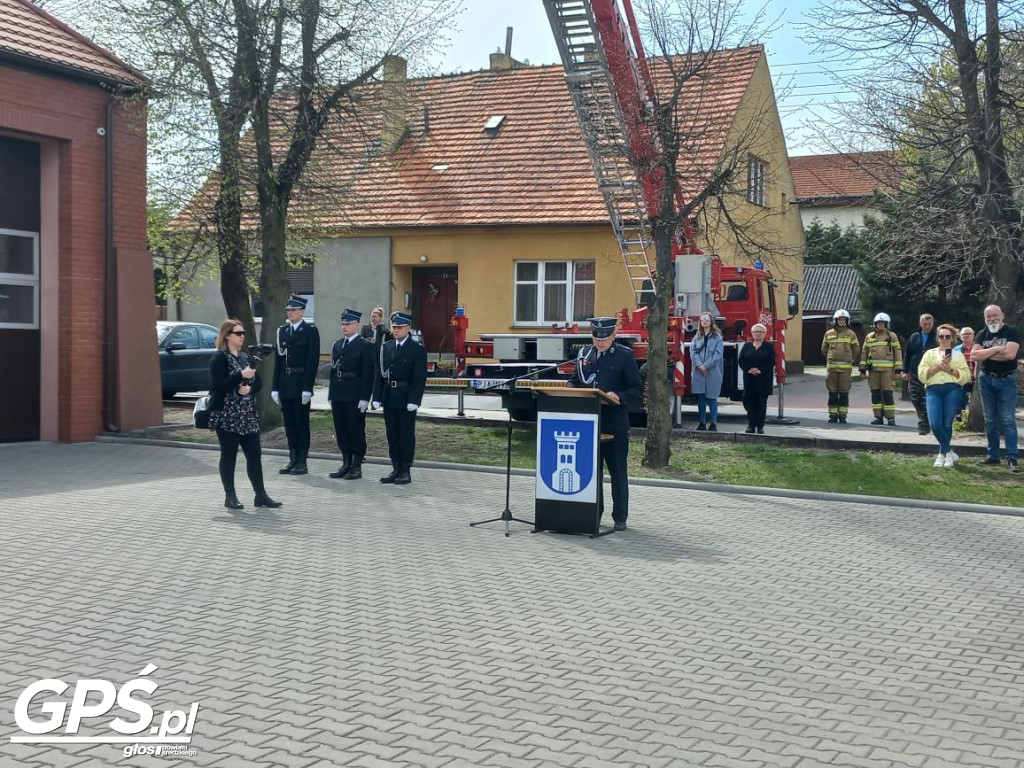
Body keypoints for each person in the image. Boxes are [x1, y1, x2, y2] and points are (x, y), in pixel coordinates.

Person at [567, 316, 643, 532]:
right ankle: (594, 513)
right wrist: (571, 389)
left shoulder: (624, 355)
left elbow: (636, 389)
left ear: (613, 336)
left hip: (614, 421)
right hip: (590, 422)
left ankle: (620, 516)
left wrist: (618, 395)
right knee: (592, 471)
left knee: (617, 471)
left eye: (605, 338)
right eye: (596, 337)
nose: (600, 342)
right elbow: (575, 378)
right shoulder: (585, 354)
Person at [208, 319, 281, 510]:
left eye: (243, 333)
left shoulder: (244, 357)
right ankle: (230, 496)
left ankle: (261, 495)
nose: (242, 337)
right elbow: (218, 387)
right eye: (238, 333)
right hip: (227, 415)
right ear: (227, 336)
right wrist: (241, 375)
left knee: (254, 454)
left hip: (247, 414)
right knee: (229, 455)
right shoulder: (219, 358)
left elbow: (258, 382)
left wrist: (249, 390)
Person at [372, 311, 428, 484]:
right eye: (394, 327)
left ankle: (405, 469)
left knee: (405, 434)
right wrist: (377, 396)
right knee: (392, 434)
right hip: (389, 396)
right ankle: (395, 467)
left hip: (405, 397)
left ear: (408, 328)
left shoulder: (416, 349)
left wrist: (414, 400)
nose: (396, 330)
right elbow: (380, 374)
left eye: (399, 327)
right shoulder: (386, 347)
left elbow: (419, 378)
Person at [271, 295, 321, 475]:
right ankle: (292, 459)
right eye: (288, 310)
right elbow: (278, 362)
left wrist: (308, 387)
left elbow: (312, 362)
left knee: (301, 424)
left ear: (302, 311)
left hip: (300, 383)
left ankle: (302, 461)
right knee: (289, 424)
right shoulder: (282, 332)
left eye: (293, 310)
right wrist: (275, 387)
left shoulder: (309, 332)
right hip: (285, 383)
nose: (290, 313)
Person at [971, 305, 1020, 472]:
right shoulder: (981, 334)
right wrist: (998, 348)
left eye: (995, 315)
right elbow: (974, 355)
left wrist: (986, 352)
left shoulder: (1011, 331)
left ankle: (1012, 458)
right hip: (986, 380)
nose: (992, 319)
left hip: (1006, 380)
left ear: (1002, 316)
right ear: (985, 318)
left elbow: (1010, 355)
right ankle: (993, 456)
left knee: (1007, 419)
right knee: (990, 420)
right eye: (988, 317)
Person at [327, 309, 375, 480]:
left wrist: (364, 397)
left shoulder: (365, 346)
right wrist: (331, 395)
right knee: (342, 430)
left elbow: (368, 374)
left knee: (355, 430)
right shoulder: (338, 345)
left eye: (348, 324)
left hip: (354, 394)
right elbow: (334, 372)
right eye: (343, 324)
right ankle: (346, 463)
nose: (344, 327)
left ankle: (356, 465)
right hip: (339, 394)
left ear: (356, 324)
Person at [917, 324, 970, 468]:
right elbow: (922, 374)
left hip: (952, 389)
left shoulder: (958, 355)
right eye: (941, 336)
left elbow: (966, 376)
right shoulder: (929, 354)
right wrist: (940, 366)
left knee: (947, 423)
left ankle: (942, 455)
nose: (944, 339)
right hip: (933, 390)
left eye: (948, 336)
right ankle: (949, 451)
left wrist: (950, 369)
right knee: (935, 424)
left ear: (952, 339)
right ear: (938, 338)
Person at [860, 312, 903, 426]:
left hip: (887, 372)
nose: (880, 325)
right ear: (875, 324)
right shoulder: (869, 337)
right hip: (873, 371)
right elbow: (864, 353)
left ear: (886, 324)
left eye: (882, 323)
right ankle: (878, 417)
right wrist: (862, 369)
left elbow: (897, 353)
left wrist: (898, 370)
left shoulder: (891, 336)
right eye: (878, 323)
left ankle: (890, 418)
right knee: (875, 394)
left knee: (887, 394)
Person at [821, 309, 860, 423]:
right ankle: (832, 415)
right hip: (832, 368)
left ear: (847, 321)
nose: (841, 321)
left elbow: (856, 349)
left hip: (845, 370)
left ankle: (843, 415)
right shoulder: (829, 334)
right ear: (835, 320)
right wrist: (830, 358)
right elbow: (824, 349)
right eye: (839, 319)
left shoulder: (851, 334)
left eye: (843, 319)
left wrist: (850, 359)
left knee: (843, 392)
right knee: (832, 392)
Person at [688, 312, 724, 431]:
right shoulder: (696, 337)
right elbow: (693, 352)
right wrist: (700, 365)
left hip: (712, 372)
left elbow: (718, 355)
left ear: (711, 321)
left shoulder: (717, 337)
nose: (704, 322)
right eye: (702, 320)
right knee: (701, 398)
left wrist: (706, 365)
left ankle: (713, 423)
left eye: (706, 319)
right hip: (699, 372)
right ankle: (702, 422)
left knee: (712, 397)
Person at [903, 313, 937, 435]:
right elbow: (908, 355)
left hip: (930, 372)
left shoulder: (937, 337)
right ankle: (923, 418)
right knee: (915, 397)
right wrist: (905, 371)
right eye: (925, 324)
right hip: (915, 372)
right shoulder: (914, 337)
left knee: (926, 398)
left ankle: (924, 423)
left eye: (929, 324)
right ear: (920, 324)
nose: (927, 326)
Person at [739, 323, 775, 434]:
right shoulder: (747, 346)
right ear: (752, 333)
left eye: (761, 332)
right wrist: (748, 369)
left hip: (763, 380)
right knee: (748, 402)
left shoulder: (769, 346)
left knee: (761, 402)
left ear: (764, 334)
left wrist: (760, 370)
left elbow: (771, 361)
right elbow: (741, 360)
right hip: (749, 379)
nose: (758, 333)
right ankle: (751, 425)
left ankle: (760, 426)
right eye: (756, 332)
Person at [953, 326, 976, 417]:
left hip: (976, 381)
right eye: (964, 334)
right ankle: (959, 420)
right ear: (960, 336)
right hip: (963, 380)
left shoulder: (979, 348)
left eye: (969, 334)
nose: (966, 336)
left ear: (973, 336)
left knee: (977, 404)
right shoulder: (956, 350)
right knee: (960, 402)